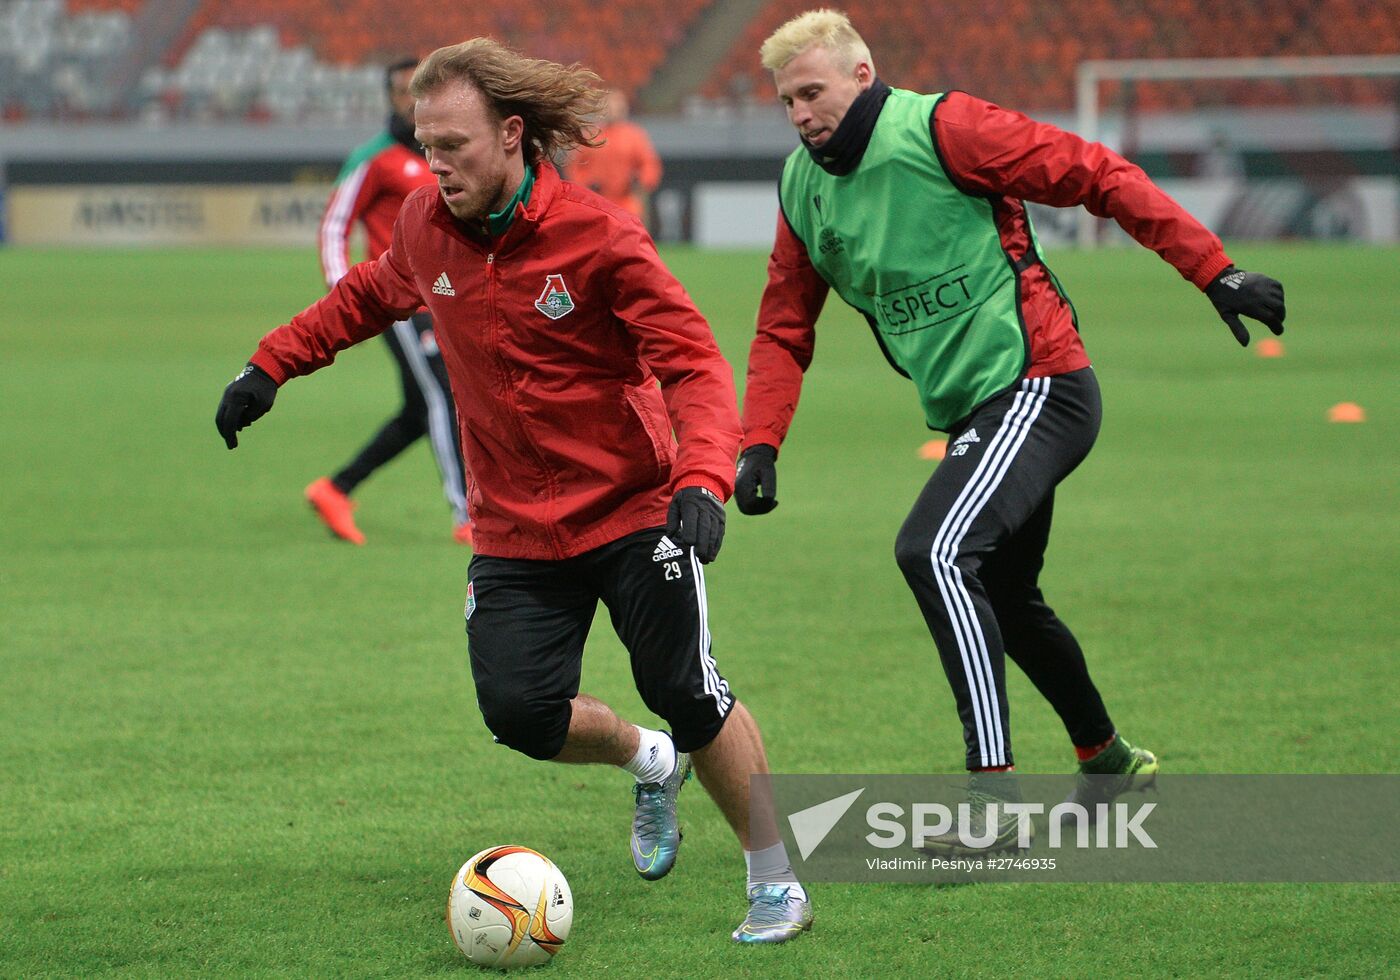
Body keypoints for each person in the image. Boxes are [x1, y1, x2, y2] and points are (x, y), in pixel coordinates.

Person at [215, 38, 811, 944]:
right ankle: (649, 761)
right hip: (514, 525)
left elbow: (692, 362)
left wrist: (701, 479)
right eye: (425, 143)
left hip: (632, 505)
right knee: (520, 715)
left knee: (686, 688)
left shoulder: (600, 235)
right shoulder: (424, 223)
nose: (433, 163)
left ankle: (776, 881)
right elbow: (364, 299)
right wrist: (270, 367)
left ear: (512, 135)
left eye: (452, 145)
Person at [734, 10, 1286, 851]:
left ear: (861, 74)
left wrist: (1215, 269)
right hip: (975, 409)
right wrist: (760, 441)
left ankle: (991, 805)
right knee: (1010, 596)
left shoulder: (946, 127)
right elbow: (782, 327)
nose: (801, 113)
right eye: (786, 101)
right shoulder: (801, 189)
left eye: (812, 91)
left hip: (1040, 385)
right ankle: (1108, 763)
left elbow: (1094, 172)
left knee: (936, 551)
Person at [309, 55, 472, 546]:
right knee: (445, 396)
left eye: (423, 89)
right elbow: (335, 225)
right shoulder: (376, 157)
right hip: (400, 301)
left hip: (446, 299)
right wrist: (346, 301)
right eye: (404, 90)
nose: (414, 99)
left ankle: (335, 489)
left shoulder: (444, 152)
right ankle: (468, 515)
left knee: (420, 410)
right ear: (390, 97)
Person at [564, 89, 662, 229]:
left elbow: (649, 164)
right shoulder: (590, 135)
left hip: (627, 202)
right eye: (609, 107)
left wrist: (640, 181)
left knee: (630, 241)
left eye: (617, 107)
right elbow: (574, 166)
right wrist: (585, 185)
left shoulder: (634, 136)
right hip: (596, 202)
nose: (613, 111)